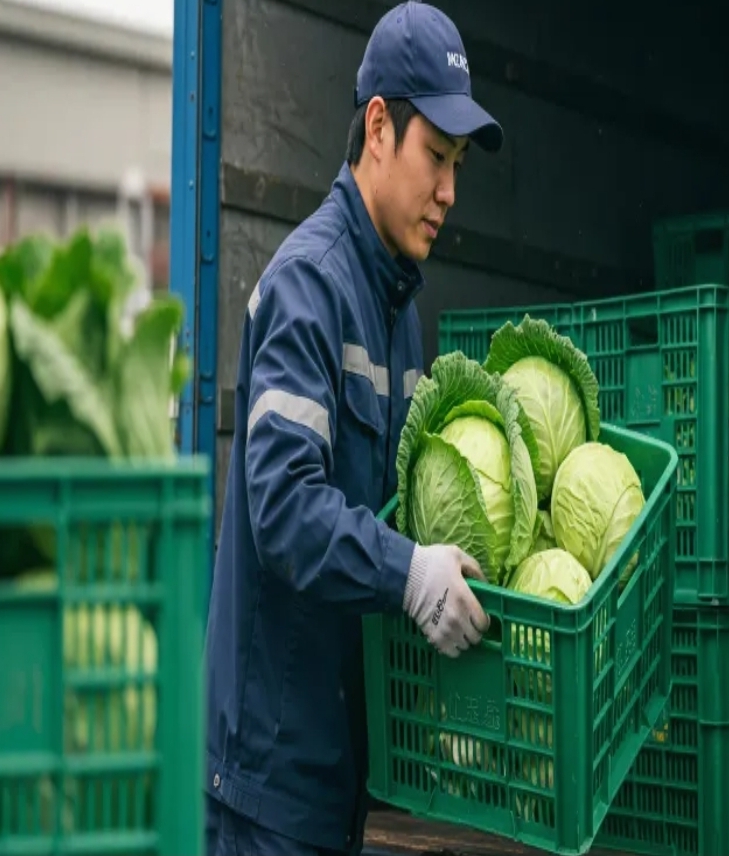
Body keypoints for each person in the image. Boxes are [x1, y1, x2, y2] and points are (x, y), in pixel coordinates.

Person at [203, 3, 505, 854]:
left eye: (457, 166)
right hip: (268, 786)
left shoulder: (396, 305)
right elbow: (283, 508)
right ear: (378, 129)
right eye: (435, 156)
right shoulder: (309, 286)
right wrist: (409, 573)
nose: (449, 192)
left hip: (339, 780)